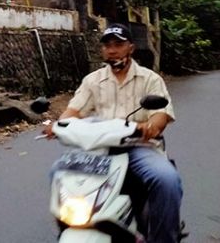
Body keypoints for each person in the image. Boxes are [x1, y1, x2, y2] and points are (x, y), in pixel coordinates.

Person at [43, 23, 183, 243]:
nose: (112, 49)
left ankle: (164, 238)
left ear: (131, 47)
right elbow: (72, 112)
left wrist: (149, 126)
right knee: (57, 171)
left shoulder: (150, 79)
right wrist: (59, 126)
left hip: (139, 147)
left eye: (119, 44)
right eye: (107, 45)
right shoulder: (93, 81)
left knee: (166, 180)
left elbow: (159, 117)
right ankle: (68, 226)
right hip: (99, 150)